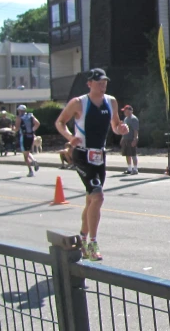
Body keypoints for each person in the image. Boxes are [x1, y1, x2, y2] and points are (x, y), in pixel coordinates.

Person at [55, 68, 129, 261]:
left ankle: (82, 238)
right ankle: (93, 243)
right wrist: (70, 138)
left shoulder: (111, 101)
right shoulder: (79, 102)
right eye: (98, 82)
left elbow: (115, 126)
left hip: (100, 156)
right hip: (82, 154)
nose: (102, 85)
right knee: (98, 197)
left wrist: (121, 129)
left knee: (91, 200)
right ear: (89, 84)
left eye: (104, 82)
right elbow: (60, 122)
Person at [14, 104, 41, 177]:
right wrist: (32, 130)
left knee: (25, 156)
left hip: (24, 136)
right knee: (28, 151)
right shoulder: (30, 115)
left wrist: (13, 129)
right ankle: (34, 160)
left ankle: (30, 170)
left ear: (19, 110)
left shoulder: (19, 117)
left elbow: (16, 128)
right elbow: (37, 123)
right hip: (31, 136)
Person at [120, 105, 139, 175]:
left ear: (130, 111)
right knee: (127, 154)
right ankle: (129, 168)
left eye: (126, 110)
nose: (124, 112)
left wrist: (135, 139)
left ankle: (135, 169)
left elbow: (135, 130)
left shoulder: (134, 119)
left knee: (133, 154)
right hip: (126, 139)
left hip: (131, 139)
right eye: (124, 111)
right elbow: (124, 129)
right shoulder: (126, 119)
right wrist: (122, 138)